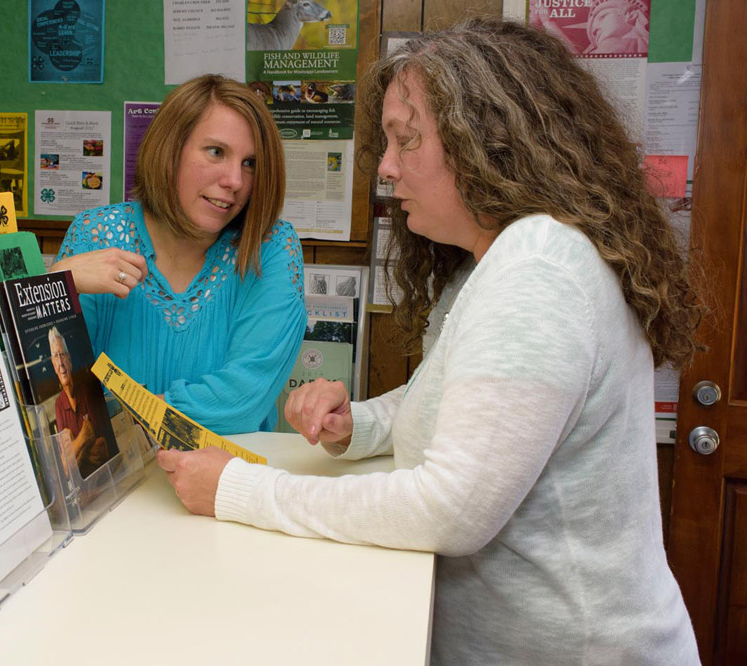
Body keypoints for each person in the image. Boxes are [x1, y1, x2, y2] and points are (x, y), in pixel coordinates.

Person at [156, 19, 702, 665]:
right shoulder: (500, 259)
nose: (385, 168)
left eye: (406, 140)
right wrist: (352, 424)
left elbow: (451, 510)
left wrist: (239, 492)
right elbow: (452, 403)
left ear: (488, 143)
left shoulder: (538, 272)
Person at [52, 74, 306, 434]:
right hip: (115, 488)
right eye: (216, 152)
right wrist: (52, 288)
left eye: (250, 163)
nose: (236, 180)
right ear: (170, 150)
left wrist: (119, 428)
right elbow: (55, 393)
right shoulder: (96, 234)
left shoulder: (271, 247)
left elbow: (240, 403)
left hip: (226, 484)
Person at [48, 326, 110, 479]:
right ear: (53, 364)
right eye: (56, 356)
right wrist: (84, 437)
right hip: (85, 490)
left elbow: (101, 450)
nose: (61, 362)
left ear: (69, 359)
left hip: (107, 480)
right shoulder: (59, 404)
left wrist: (74, 447)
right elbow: (67, 469)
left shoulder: (88, 390)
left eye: (62, 355)